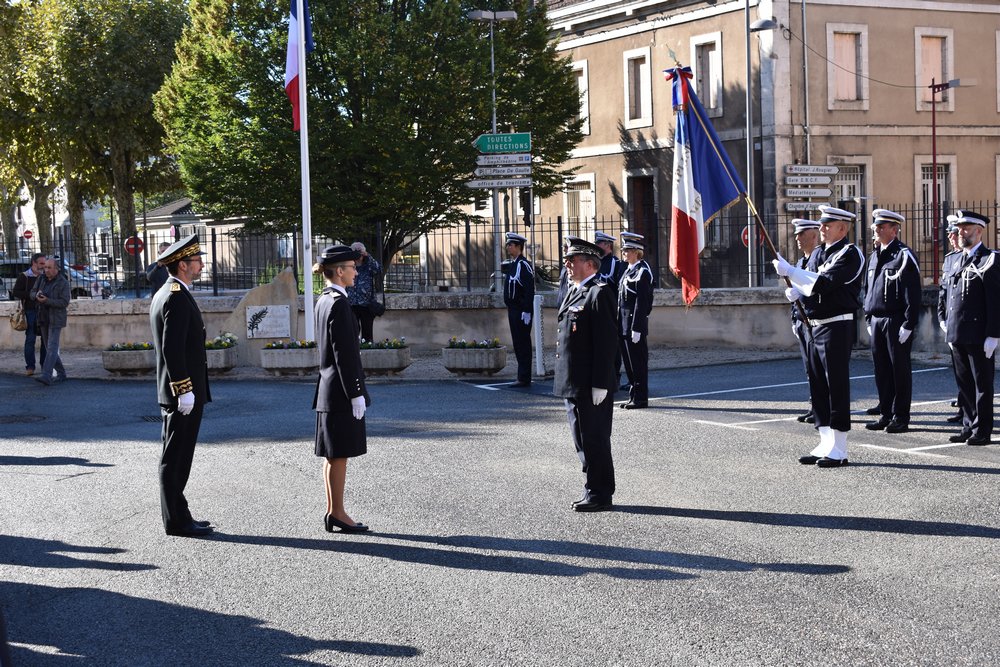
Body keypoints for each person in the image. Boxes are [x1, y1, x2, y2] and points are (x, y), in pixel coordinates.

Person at [773, 205, 865, 468]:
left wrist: (791, 272)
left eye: (828, 224)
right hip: (813, 324)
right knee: (818, 385)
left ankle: (840, 447)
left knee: (835, 384)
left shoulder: (849, 254)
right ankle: (825, 440)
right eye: (822, 224)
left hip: (836, 325)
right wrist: (797, 292)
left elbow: (823, 283)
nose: (821, 228)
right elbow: (809, 283)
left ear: (843, 228)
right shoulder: (819, 253)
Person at [149, 234, 213, 537]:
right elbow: (172, 349)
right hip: (181, 393)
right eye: (197, 260)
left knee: (178, 456)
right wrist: (184, 389)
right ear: (184, 265)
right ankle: (176, 520)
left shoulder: (171, 291)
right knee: (175, 457)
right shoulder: (174, 295)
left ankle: (179, 514)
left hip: (179, 391)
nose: (201, 265)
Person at [554, 235, 619, 511]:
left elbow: (606, 342)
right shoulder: (575, 290)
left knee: (594, 437)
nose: (567, 263)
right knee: (581, 438)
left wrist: (601, 384)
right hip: (573, 381)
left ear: (591, 264)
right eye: (567, 259)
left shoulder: (599, 292)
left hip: (590, 382)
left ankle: (600, 492)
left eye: (573, 259)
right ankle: (591, 485)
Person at [313, 244, 370, 533]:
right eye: (351, 267)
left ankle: (334, 511)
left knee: (333, 455)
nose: (356, 272)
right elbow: (344, 354)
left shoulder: (324, 299)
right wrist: (356, 392)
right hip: (340, 392)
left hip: (329, 390)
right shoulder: (338, 303)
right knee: (340, 455)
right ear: (339, 271)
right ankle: (338, 512)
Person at [940, 210, 1000, 446]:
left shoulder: (990, 259)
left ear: (979, 230)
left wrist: (994, 334)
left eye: (966, 228)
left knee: (981, 384)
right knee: (963, 383)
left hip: (979, 333)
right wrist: (946, 322)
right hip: (957, 331)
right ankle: (968, 424)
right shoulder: (954, 259)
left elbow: (995, 300)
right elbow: (949, 296)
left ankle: (982, 430)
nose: (961, 232)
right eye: (960, 228)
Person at [861, 209, 921, 434]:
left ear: (894, 230)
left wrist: (909, 323)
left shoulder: (903, 255)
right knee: (881, 370)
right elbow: (868, 289)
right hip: (877, 319)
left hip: (896, 321)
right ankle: (885, 413)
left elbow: (912, 293)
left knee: (899, 370)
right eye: (875, 226)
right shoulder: (875, 255)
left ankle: (901, 417)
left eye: (881, 227)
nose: (875, 230)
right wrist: (868, 316)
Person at [788, 220, 821, 424]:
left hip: (815, 321)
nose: (797, 238)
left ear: (814, 235)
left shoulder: (818, 261)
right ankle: (814, 406)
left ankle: (822, 408)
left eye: (802, 234)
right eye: (796, 234)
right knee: (809, 368)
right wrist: (794, 317)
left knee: (819, 368)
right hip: (802, 321)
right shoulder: (800, 263)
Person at [617, 232, 653, 409]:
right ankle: (633, 395)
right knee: (629, 364)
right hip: (623, 324)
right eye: (623, 250)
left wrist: (637, 327)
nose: (624, 253)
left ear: (636, 252)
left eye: (627, 250)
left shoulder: (642, 272)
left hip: (633, 324)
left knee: (638, 363)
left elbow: (642, 302)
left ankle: (640, 398)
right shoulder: (628, 271)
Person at [937, 216, 964, 424]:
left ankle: (969, 409)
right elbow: (943, 291)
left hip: (967, 322)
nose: (951, 237)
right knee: (958, 367)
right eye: (950, 233)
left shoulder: (972, 257)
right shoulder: (950, 258)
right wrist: (941, 316)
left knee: (970, 370)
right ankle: (964, 407)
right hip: (951, 320)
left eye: (953, 233)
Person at [30, 258, 70, 386]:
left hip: (56, 318)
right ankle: (62, 373)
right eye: (45, 267)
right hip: (43, 317)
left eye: (49, 267)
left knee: (52, 347)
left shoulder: (63, 282)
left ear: (56, 269)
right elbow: (32, 293)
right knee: (49, 348)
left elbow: (64, 302)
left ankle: (46, 375)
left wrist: (47, 300)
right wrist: (36, 296)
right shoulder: (41, 279)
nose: (46, 270)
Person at [502, 232, 535, 387]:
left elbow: (529, 289)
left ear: (518, 247)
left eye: (511, 245)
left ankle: (524, 377)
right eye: (508, 244)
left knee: (523, 343)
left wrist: (527, 310)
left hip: (521, 311)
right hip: (513, 310)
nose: (508, 247)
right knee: (517, 343)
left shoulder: (523, 265)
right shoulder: (514, 263)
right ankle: (521, 376)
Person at [595, 231, 626, 389]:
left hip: (611, 311)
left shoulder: (615, 263)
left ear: (607, 245)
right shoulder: (596, 263)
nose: (597, 245)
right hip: (597, 310)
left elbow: (619, 288)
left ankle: (615, 376)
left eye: (599, 243)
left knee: (613, 346)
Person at [12, 252, 46, 376]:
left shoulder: (46, 276)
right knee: (30, 339)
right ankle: (30, 367)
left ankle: (44, 366)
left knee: (45, 339)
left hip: (45, 311)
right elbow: (16, 292)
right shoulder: (24, 276)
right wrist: (32, 296)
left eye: (45, 263)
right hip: (30, 311)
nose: (43, 266)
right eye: (41, 263)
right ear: (34, 263)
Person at [346, 242, 383, 343]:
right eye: (355, 252)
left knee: (367, 332)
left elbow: (378, 269)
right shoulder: (348, 265)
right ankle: (354, 350)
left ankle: (368, 349)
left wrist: (368, 255)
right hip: (351, 303)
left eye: (360, 252)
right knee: (353, 330)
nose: (358, 255)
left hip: (367, 303)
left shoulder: (369, 265)